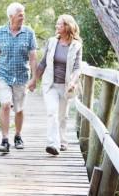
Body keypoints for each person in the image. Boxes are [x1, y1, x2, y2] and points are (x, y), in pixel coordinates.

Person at [30, 14, 82, 155]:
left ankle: (63, 141)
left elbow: (77, 67)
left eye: (59, 24)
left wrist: (72, 81)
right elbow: (43, 63)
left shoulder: (76, 46)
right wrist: (34, 80)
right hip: (50, 85)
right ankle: (53, 144)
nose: (56, 26)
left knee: (62, 116)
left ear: (67, 27)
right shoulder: (52, 42)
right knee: (52, 113)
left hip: (66, 86)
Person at [0, 2, 37, 153]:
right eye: (20, 15)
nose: (23, 17)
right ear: (11, 16)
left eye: (23, 14)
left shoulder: (29, 33)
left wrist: (34, 78)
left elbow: (33, 58)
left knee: (19, 109)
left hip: (22, 76)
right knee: (5, 104)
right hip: (3, 75)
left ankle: (17, 136)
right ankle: (4, 140)